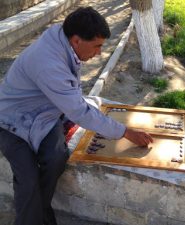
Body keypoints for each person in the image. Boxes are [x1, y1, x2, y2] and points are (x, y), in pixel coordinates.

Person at [0, 7, 153, 225]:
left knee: (56, 158)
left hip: (45, 115)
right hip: (11, 122)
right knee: (28, 179)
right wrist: (125, 132)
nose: (99, 53)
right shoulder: (48, 64)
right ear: (77, 40)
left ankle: (39, 210)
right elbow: (78, 111)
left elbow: (72, 98)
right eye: (97, 46)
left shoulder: (63, 38)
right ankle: (32, 218)